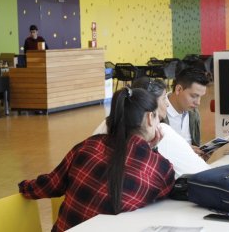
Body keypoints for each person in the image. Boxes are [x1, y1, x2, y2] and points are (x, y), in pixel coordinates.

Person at [19, 87, 175, 232]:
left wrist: (24, 187)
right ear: (149, 118)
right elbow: (159, 198)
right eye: (157, 118)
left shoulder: (89, 145)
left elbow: (51, 185)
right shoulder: (161, 168)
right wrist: (152, 150)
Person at [93, 76, 210, 178]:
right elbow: (202, 171)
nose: (167, 103)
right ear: (149, 103)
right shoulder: (161, 131)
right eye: (164, 98)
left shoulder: (107, 124)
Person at [164, 67, 209, 154]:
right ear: (178, 89)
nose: (198, 103)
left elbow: (196, 144)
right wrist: (182, 150)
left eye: (200, 97)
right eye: (194, 96)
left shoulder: (194, 114)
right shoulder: (156, 113)